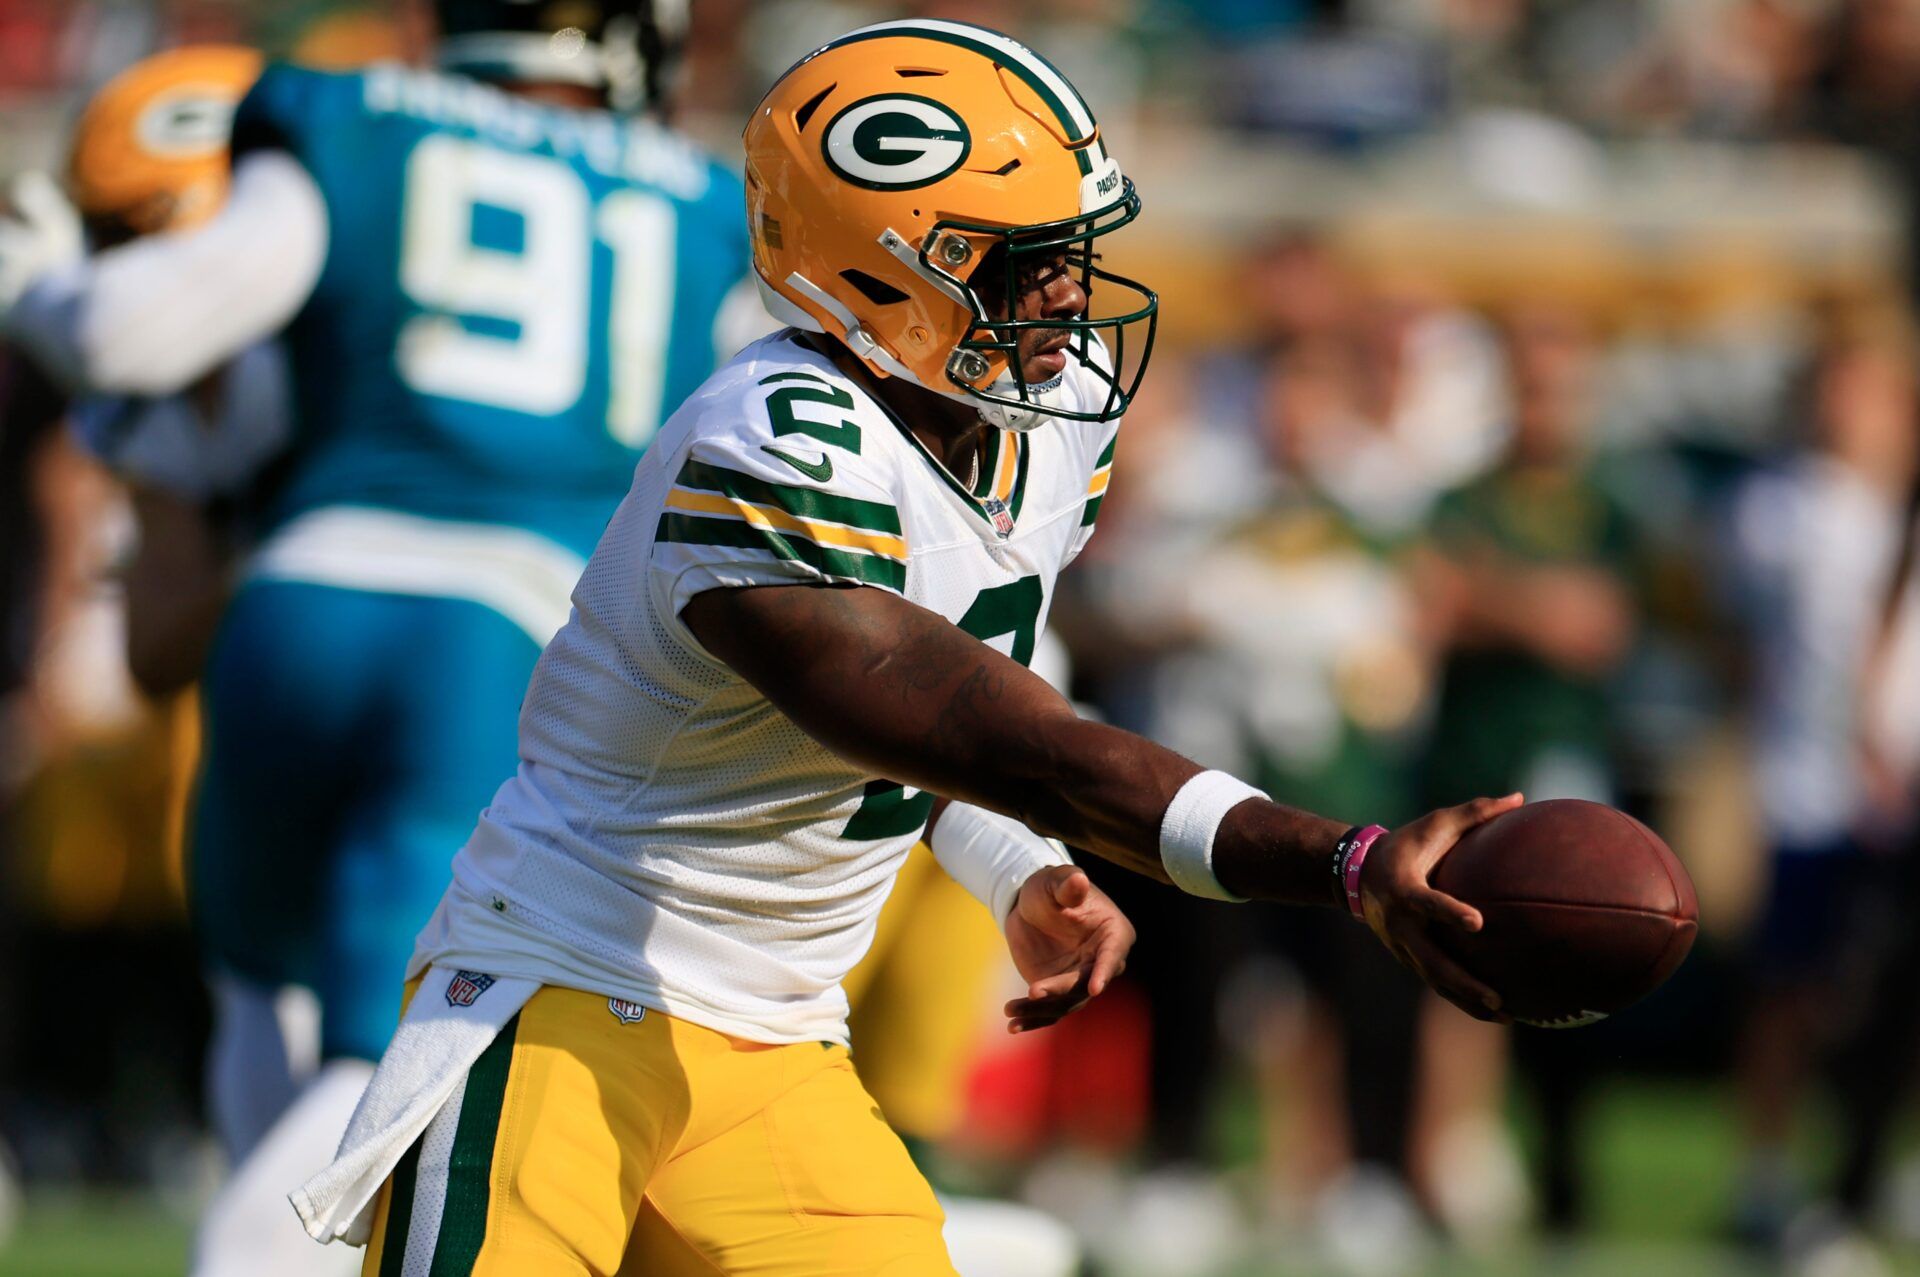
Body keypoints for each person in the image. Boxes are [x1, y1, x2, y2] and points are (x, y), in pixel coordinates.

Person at [285, 20, 1523, 1276]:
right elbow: (984, 729)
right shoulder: (774, 443)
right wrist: (1347, 859)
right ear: (876, 269)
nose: (1068, 295)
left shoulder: (1040, 423)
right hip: (559, 996)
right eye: (1022, 261)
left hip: (780, 1039)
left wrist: (1007, 864)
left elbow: (955, 704)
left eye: (1074, 253)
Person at [0, 5, 754, 1274]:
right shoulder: (701, 201)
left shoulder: (349, 119)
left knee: (266, 1010)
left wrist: (39, 290)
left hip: (293, 608)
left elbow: (128, 334)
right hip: (507, 644)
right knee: (376, 1079)